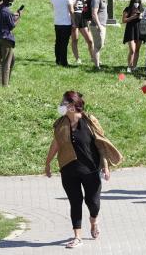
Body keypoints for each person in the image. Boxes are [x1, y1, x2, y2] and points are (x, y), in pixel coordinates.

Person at [44, 91, 122, 250]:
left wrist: (106, 166)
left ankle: (94, 220)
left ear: (72, 106)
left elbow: (101, 144)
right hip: (68, 169)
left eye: (64, 103)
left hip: (91, 170)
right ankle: (77, 236)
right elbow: (55, 144)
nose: (61, 105)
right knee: (75, 201)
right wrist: (47, 163)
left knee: (93, 202)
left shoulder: (89, 121)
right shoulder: (61, 124)